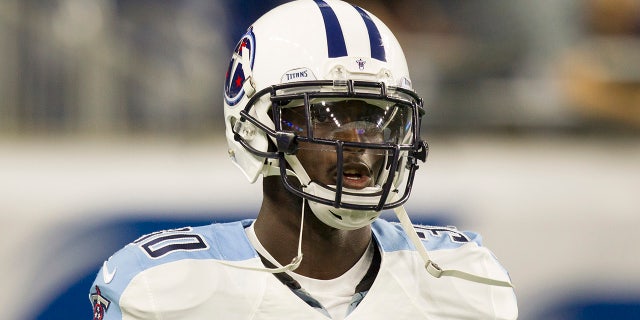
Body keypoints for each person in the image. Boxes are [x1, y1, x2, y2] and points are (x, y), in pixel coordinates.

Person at [88, 1, 518, 319]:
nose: (360, 144)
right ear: (255, 126)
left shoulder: (468, 283)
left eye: (376, 120)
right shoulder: (162, 289)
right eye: (327, 118)